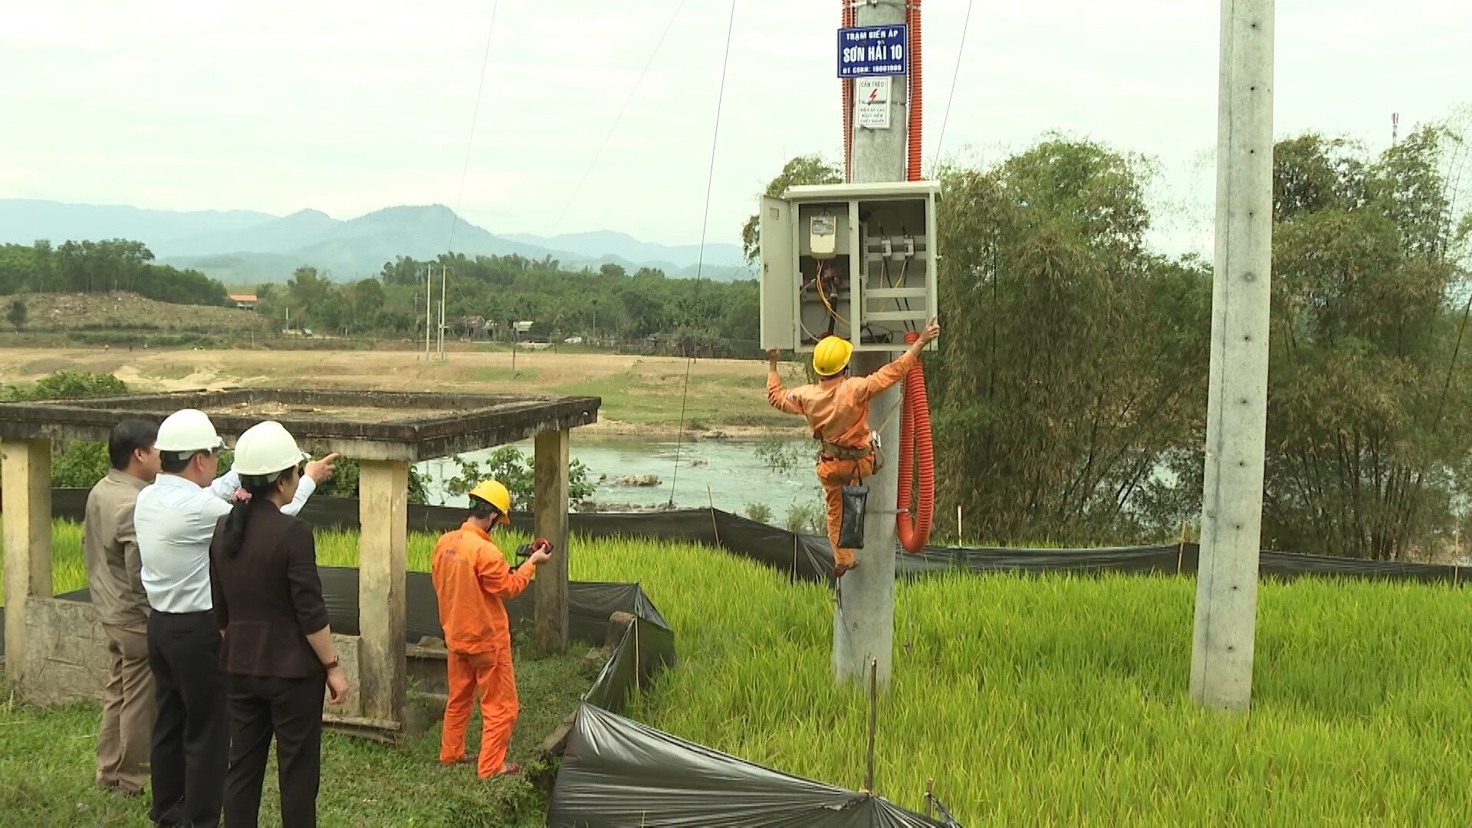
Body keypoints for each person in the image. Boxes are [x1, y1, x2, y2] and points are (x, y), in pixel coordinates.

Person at [135, 408, 337, 828]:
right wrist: (310, 480)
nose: (215, 462)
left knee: (171, 722)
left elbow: (241, 492)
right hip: (197, 631)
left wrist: (264, 474)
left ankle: (168, 809)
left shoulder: (150, 496)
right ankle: (201, 818)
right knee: (209, 733)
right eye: (211, 454)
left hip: (162, 626)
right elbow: (270, 518)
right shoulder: (208, 515)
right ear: (198, 460)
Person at [208, 421, 350, 828]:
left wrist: (240, 646)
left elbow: (221, 609)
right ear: (285, 480)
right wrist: (333, 668)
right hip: (292, 675)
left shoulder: (224, 528)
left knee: (243, 768)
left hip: (238, 667)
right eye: (295, 473)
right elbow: (310, 611)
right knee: (298, 773)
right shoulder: (293, 532)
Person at [765, 318, 941, 578]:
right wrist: (920, 342)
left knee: (834, 513)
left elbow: (776, 397)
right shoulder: (854, 389)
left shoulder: (806, 396)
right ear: (845, 366)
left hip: (831, 467)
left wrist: (773, 363)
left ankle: (843, 558)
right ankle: (852, 547)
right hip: (860, 465)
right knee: (853, 496)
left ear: (818, 368)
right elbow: (894, 371)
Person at [430, 479, 552, 779]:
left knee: (459, 698)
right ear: (494, 517)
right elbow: (508, 588)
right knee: (502, 707)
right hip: (487, 641)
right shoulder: (485, 551)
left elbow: (460, 583)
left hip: (456, 637)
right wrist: (532, 563)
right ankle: (491, 766)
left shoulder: (445, 543)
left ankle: (451, 753)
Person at [84, 418, 163, 797]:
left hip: (109, 610)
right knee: (139, 702)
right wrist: (155, 612)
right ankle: (130, 779)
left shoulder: (103, 489)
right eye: (157, 449)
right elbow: (139, 570)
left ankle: (109, 770)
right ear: (139, 454)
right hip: (133, 618)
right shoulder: (133, 502)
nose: (162, 456)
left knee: (118, 692)